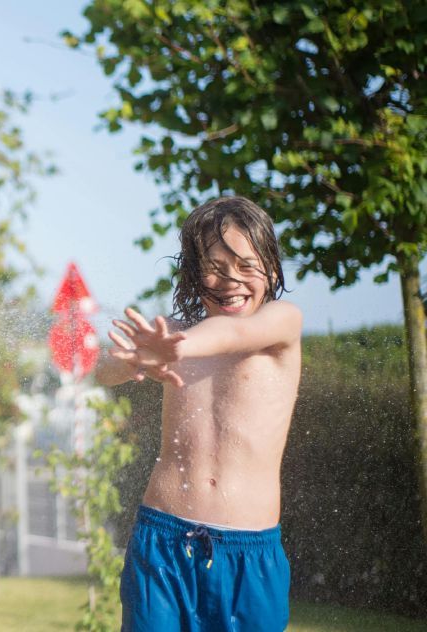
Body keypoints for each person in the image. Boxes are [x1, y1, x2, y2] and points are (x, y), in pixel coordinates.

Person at [95, 196, 302, 631]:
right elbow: (104, 371)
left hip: (249, 554)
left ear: (273, 271)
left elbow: (236, 332)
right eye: (215, 266)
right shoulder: (172, 336)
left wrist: (173, 349)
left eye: (247, 266)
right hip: (163, 540)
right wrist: (136, 359)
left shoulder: (281, 323)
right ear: (192, 273)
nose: (232, 281)